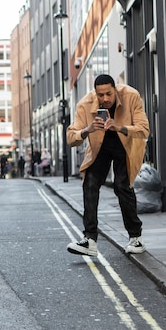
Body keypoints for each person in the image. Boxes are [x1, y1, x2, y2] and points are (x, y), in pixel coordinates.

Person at [66, 74, 149, 257]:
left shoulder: (131, 95)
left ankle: (136, 237)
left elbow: (144, 129)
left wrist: (118, 127)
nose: (105, 99)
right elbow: (71, 138)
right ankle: (90, 240)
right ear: (95, 94)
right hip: (100, 148)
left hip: (125, 146)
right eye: (100, 95)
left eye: (108, 94)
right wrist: (88, 129)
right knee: (90, 184)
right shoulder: (85, 104)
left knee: (122, 186)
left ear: (115, 89)